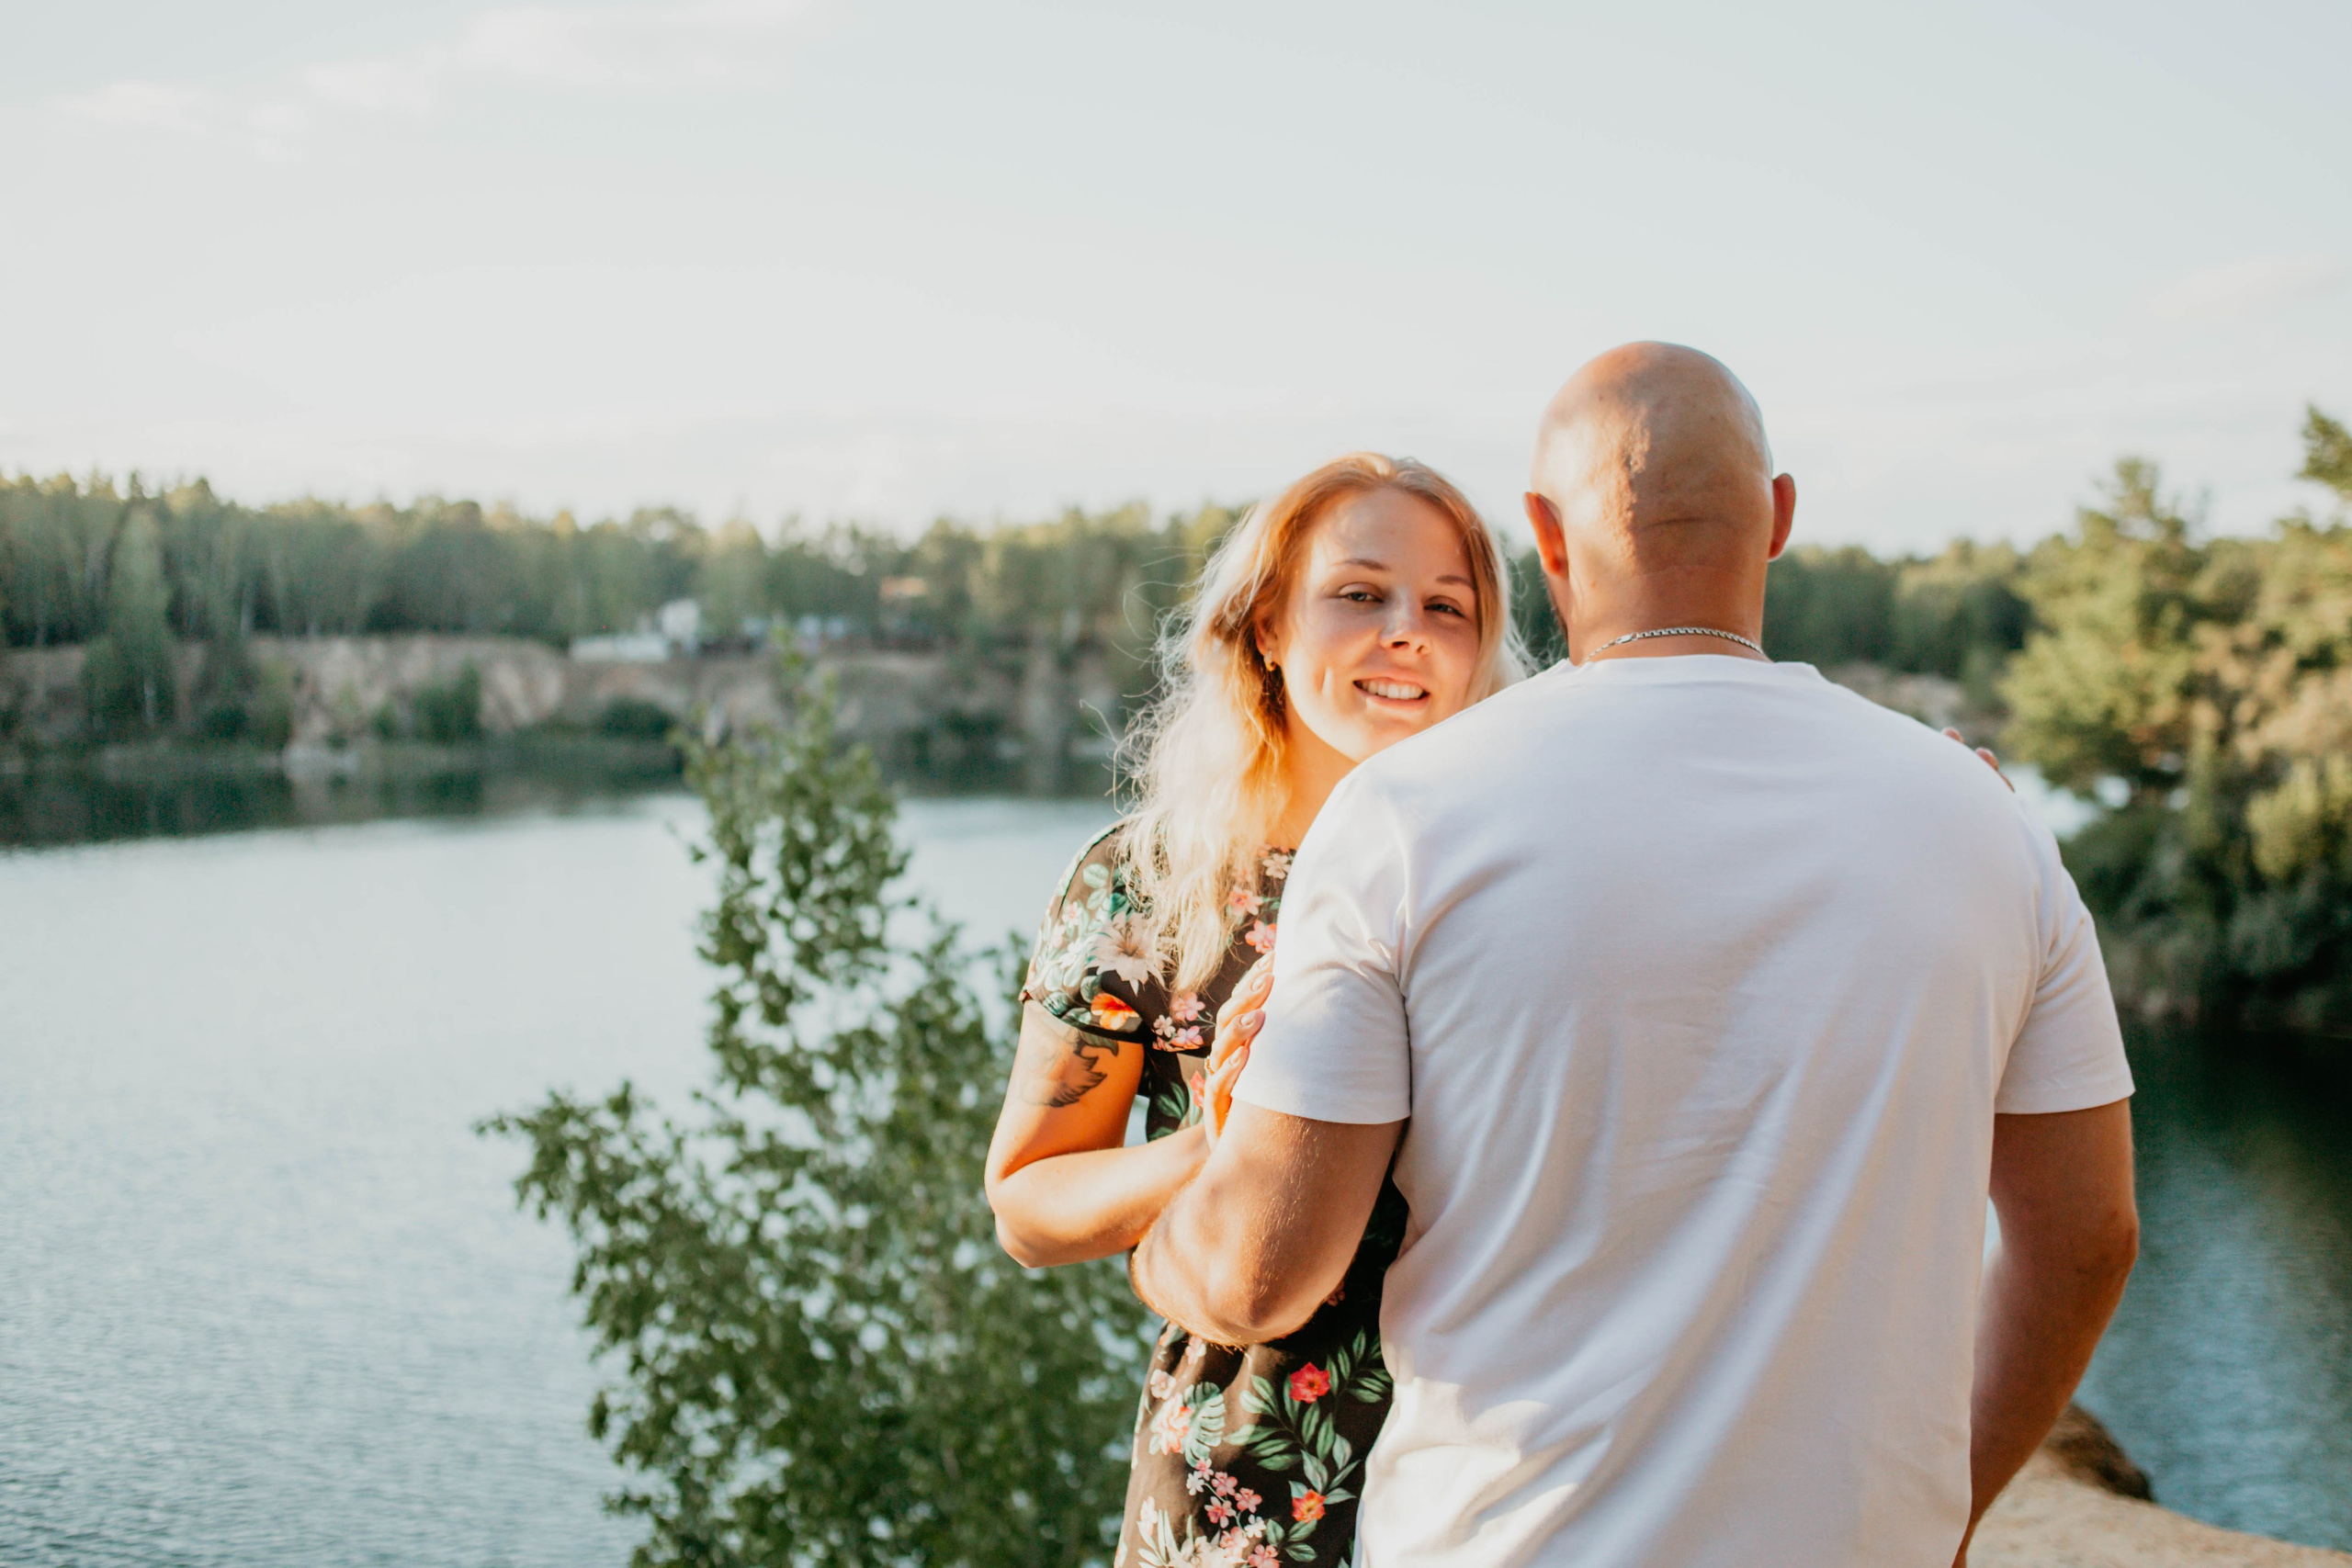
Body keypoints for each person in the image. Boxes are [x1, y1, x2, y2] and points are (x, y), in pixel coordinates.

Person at [1132, 344, 2141, 1568]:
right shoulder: (1985, 819)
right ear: (1776, 518)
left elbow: (1258, 1281)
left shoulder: (1409, 812)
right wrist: (1945, 1510)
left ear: (1548, 540)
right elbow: (2088, 1239)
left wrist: (1167, 1236)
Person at [983, 453, 1528, 1567]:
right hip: (1250, 1488)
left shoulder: (1530, 873)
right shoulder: (1145, 886)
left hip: (1513, 1463)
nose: (1405, 632)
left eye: (1446, 606)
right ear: (1267, 624)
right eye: (1359, 594)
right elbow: (1027, 1207)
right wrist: (1217, 1148)